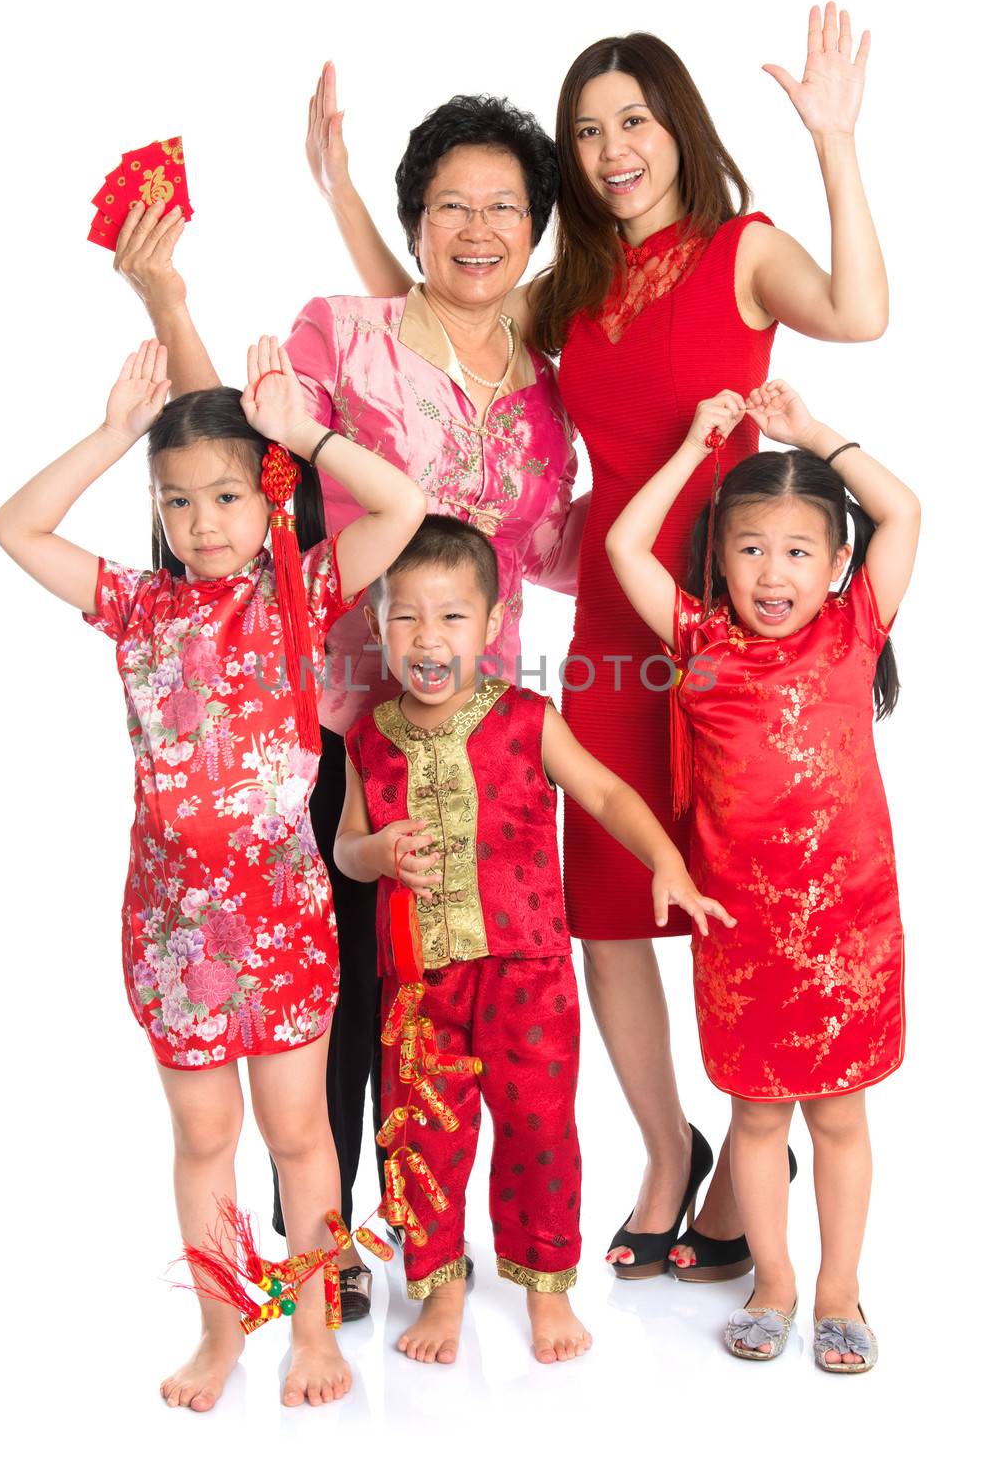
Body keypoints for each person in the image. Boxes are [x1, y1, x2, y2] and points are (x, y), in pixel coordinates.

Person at [299, 4, 887, 1279]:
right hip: (620, 623)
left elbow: (856, 311)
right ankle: (666, 1154)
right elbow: (436, 307)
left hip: (737, 623)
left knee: (744, 898)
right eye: (588, 130)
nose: (614, 147)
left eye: (633, 120)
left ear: (677, 127)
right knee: (604, 914)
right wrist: (351, 199)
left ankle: (752, 1157)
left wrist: (835, 140)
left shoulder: (742, 247)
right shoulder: (574, 288)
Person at [112, 95, 588, 1316]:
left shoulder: (548, 397)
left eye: (502, 208)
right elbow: (248, 465)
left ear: (536, 229)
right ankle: (327, 1253)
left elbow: (552, 554)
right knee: (332, 998)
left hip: (478, 736)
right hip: (323, 716)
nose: (474, 229)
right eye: (448, 207)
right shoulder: (346, 331)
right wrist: (169, 307)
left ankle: (425, 1232)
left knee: (447, 990)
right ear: (412, 220)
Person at [0, 337, 426, 1409]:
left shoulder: (297, 590)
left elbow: (403, 508)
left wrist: (302, 433)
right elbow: (13, 528)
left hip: (281, 920)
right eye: (177, 501)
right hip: (176, 931)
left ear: (265, 491)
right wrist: (111, 432)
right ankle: (222, 1327)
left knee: (297, 1133)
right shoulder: (138, 606)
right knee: (203, 1138)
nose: (202, 522)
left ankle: (313, 1325)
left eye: (226, 494)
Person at [333, 515, 732, 1364]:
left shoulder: (527, 717)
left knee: (540, 1133)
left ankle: (545, 1292)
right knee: (420, 1136)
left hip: (528, 976)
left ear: (493, 620)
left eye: (451, 617)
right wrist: (375, 853)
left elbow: (609, 794)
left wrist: (665, 860)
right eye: (405, 617)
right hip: (417, 984)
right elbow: (344, 847)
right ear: (375, 626)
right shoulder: (367, 738)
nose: (427, 638)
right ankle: (438, 1292)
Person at [606, 379, 917, 1369]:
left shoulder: (851, 629)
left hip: (847, 934)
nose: (770, 571)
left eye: (795, 551)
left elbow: (902, 510)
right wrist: (698, 444)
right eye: (747, 549)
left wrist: (813, 437)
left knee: (837, 1113)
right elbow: (621, 546)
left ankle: (837, 1287)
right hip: (740, 933)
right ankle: (773, 1282)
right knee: (753, 1112)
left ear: (835, 564)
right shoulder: (700, 646)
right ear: (717, 560)